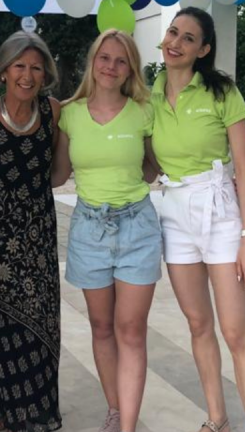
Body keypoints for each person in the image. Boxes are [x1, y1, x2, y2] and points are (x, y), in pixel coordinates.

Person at [151, 7, 245, 432]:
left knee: (235, 331)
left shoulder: (222, 92)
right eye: (172, 32)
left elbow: (244, 170)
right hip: (175, 213)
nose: (175, 43)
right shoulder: (149, 95)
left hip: (220, 211)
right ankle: (218, 419)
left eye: (188, 38)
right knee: (199, 324)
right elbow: (146, 161)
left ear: (203, 50)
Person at [52, 29, 161, 432]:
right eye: (104, 58)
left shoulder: (144, 111)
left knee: (130, 330)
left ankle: (126, 426)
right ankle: (115, 410)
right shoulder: (69, 113)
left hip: (137, 228)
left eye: (121, 60)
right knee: (101, 327)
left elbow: (152, 167)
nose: (111, 67)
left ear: (131, 68)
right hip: (89, 229)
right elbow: (58, 174)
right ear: (92, 61)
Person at [0, 30, 62, 432]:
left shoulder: (53, 112)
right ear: (3, 70)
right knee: (0, 318)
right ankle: (2, 407)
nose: (27, 75)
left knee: (42, 316)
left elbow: (57, 171)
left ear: (45, 74)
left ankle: (39, 406)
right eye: (19, 65)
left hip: (39, 231)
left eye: (36, 67)